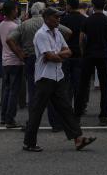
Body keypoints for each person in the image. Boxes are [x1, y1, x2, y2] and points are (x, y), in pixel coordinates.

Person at [22, 8, 96, 152]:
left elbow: (68, 52)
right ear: (47, 18)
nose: (59, 19)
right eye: (56, 17)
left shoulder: (57, 33)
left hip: (57, 76)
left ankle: (78, 139)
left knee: (66, 108)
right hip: (45, 77)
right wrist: (58, 55)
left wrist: (56, 55)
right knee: (37, 111)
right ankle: (29, 142)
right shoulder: (41, 34)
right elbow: (52, 57)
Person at [75, 0, 107, 123]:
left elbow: (81, 39)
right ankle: (103, 114)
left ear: (93, 5)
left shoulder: (87, 20)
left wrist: (83, 53)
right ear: (104, 5)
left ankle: (78, 113)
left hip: (89, 54)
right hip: (103, 54)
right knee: (104, 85)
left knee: (83, 85)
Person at [0, 0, 22, 128]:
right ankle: (10, 119)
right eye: (16, 9)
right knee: (14, 91)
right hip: (15, 61)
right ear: (12, 11)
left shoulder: (1, 24)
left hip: (5, 60)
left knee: (6, 90)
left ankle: (4, 117)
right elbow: (18, 43)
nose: (17, 11)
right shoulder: (14, 26)